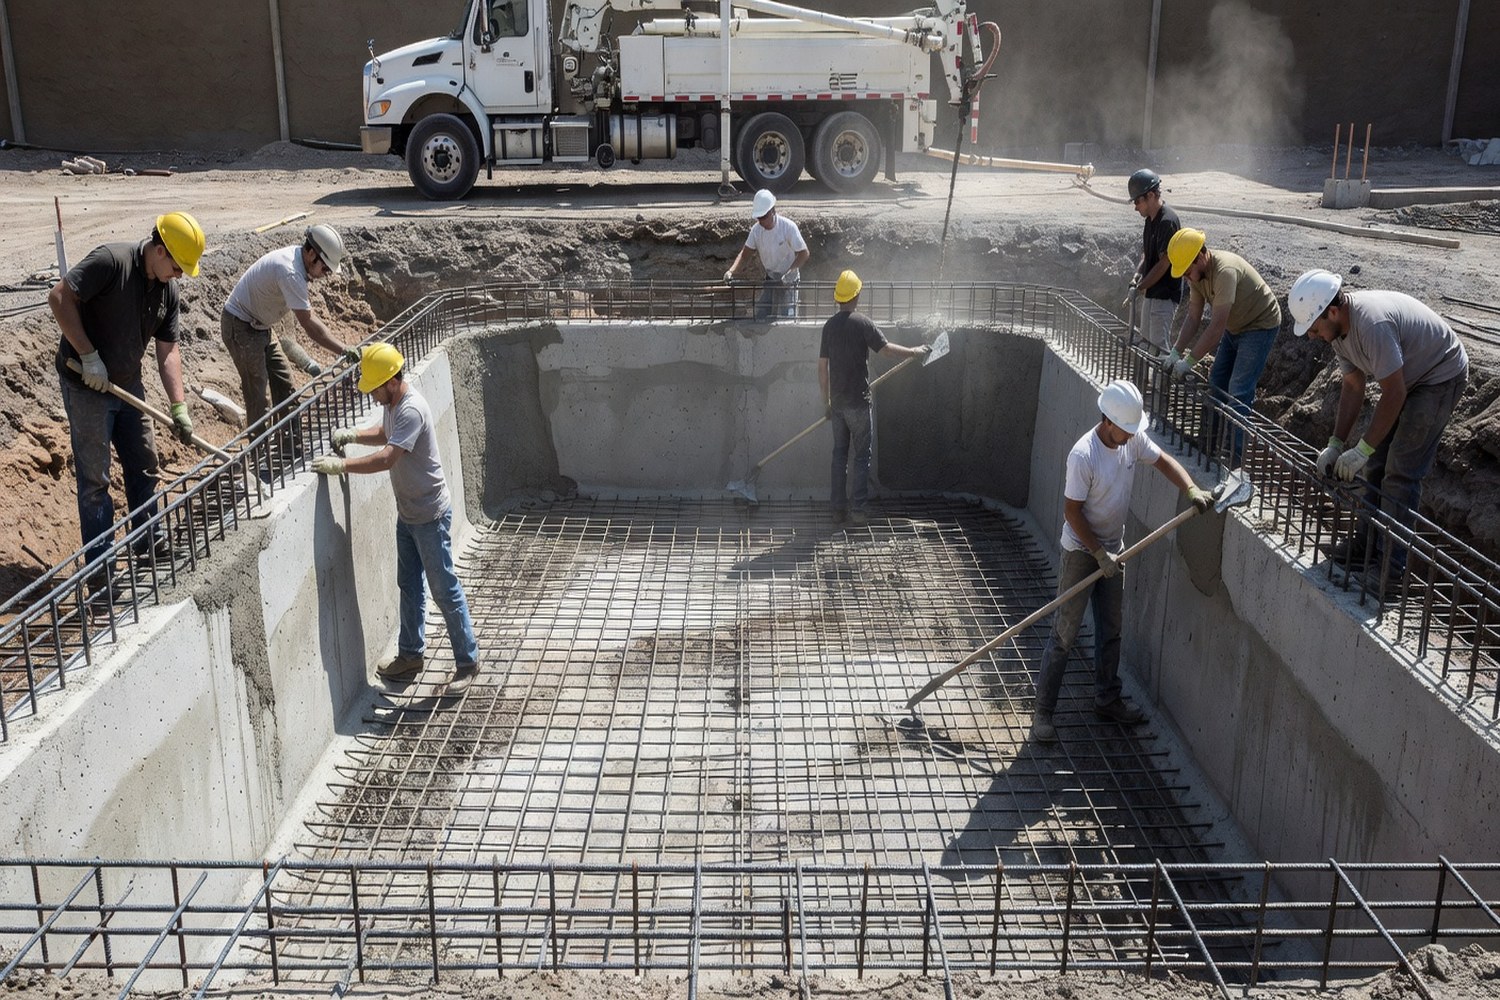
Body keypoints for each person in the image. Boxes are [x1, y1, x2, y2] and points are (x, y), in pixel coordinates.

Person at [1031, 380, 1212, 743]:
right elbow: (1071, 512)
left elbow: (1164, 462)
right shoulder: (1083, 455)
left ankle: (1107, 699)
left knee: (1111, 630)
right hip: (1082, 553)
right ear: (1107, 421)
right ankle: (1044, 713)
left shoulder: (1131, 440)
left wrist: (1190, 488)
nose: (1131, 436)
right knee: (1065, 633)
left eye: (1133, 431)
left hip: (1116, 550)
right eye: (1125, 430)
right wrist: (1098, 554)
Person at [49, 211, 206, 587]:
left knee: (144, 461)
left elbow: (168, 351)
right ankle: (102, 573)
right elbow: (58, 298)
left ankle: (148, 540)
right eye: (178, 265)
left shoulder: (167, 290)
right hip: (85, 385)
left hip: (127, 384)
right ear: (159, 249)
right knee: (95, 481)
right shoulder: (110, 262)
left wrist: (178, 405)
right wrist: (88, 355)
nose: (180, 275)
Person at [1288, 270, 1469, 588]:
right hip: (1408, 378)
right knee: (1376, 464)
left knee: (1400, 470)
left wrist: (1362, 448)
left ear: (1332, 311)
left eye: (1314, 329)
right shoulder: (1339, 332)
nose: (1312, 336)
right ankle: (1366, 546)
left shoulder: (1371, 324)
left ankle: (1390, 572)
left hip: (1439, 376)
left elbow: (1394, 393)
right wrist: (1336, 443)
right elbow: (1353, 386)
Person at [313, 344, 479, 691]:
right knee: (409, 586)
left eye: (374, 387)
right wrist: (354, 435)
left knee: (444, 590)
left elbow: (387, 457)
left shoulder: (412, 409)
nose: (371, 394)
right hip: (409, 513)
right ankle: (410, 655)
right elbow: (385, 434)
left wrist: (342, 465)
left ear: (391, 381)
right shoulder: (392, 405)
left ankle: (467, 662)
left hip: (430, 516)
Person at [1159, 228, 1282, 465]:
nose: (1186, 277)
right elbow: (1194, 318)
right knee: (1216, 381)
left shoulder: (1225, 272)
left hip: (1260, 325)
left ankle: (1234, 460)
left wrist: (1189, 362)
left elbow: (1215, 328)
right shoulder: (1197, 276)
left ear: (1200, 257)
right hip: (1236, 325)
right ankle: (1210, 445)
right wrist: (1176, 351)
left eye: (1187, 271)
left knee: (1239, 389)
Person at [818, 270, 931, 525]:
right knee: (861, 456)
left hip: (837, 405)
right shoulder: (863, 323)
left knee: (839, 454)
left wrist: (825, 402)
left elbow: (822, 368)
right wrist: (914, 351)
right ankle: (858, 510)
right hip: (858, 403)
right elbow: (887, 350)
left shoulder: (829, 327)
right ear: (856, 295)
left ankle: (837, 509)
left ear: (838, 298)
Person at [222, 225, 359, 431]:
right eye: (325, 269)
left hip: (261, 326)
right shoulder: (291, 272)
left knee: (285, 384)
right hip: (241, 326)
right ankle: (261, 454)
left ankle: (289, 446)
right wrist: (342, 349)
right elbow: (310, 324)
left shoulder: (298, 265)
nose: (325, 275)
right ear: (312, 253)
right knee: (259, 395)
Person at [724, 189, 810, 320]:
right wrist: (731, 271)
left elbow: (804, 253)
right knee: (762, 315)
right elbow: (745, 254)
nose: (761, 221)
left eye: (763, 217)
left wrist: (790, 273)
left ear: (772, 211)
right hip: (770, 277)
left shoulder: (788, 227)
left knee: (788, 318)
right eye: (759, 218)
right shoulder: (756, 231)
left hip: (789, 279)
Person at [1124, 168, 1182, 351]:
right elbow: (1147, 256)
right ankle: (1148, 381)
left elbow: (1164, 263)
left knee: (1158, 347)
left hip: (1164, 295)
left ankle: (1161, 381)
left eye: (1137, 201)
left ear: (1150, 195)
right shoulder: (1150, 220)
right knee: (1146, 343)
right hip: (1152, 293)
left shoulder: (1167, 222)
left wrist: (1140, 287)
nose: (1135, 207)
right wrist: (1137, 276)